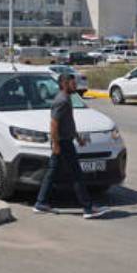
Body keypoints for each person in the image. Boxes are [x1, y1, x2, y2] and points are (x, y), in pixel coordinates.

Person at [33, 73, 111, 219]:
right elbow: (54, 124)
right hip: (62, 143)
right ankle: (88, 208)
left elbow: (68, 123)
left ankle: (40, 203)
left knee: (52, 173)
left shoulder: (67, 99)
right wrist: (56, 144)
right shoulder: (61, 100)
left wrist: (77, 138)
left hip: (65, 141)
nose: (75, 85)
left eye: (75, 83)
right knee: (77, 175)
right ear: (64, 84)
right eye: (72, 83)